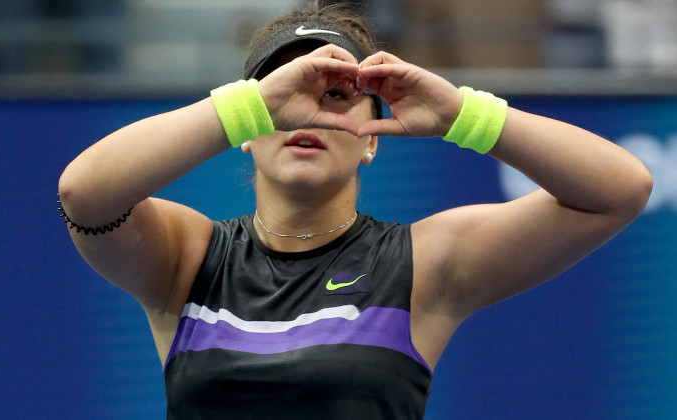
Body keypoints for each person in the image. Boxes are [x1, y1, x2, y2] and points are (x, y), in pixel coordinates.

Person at [57, 2, 652, 419]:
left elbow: (620, 188)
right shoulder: (186, 256)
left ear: (372, 138)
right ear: (247, 127)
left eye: (338, 96)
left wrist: (461, 116)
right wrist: (252, 104)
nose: (309, 113)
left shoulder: (425, 263)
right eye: (284, 95)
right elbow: (85, 193)